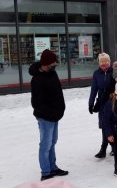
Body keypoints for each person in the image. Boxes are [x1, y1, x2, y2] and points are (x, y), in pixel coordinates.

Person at [29, 49, 68, 181]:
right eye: (52, 64)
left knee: (52, 142)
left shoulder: (52, 73)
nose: (55, 66)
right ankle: (46, 173)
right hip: (45, 117)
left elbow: (58, 93)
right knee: (45, 145)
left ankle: (53, 167)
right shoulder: (37, 79)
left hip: (55, 116)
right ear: (45, 64)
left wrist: (61, 109)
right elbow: (36, 103)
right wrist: (52, 113)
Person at [88, 52, 115, 158]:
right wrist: (91, 103)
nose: (104, 64)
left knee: (113, 125)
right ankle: (103, 148)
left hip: (113, 103)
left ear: (109, 62)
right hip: (102, 104)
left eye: (106, 61)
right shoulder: (96, 74)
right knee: (104, 125)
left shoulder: (114, 72)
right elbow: (93, 90)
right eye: (101, 62)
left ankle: (114, 147)